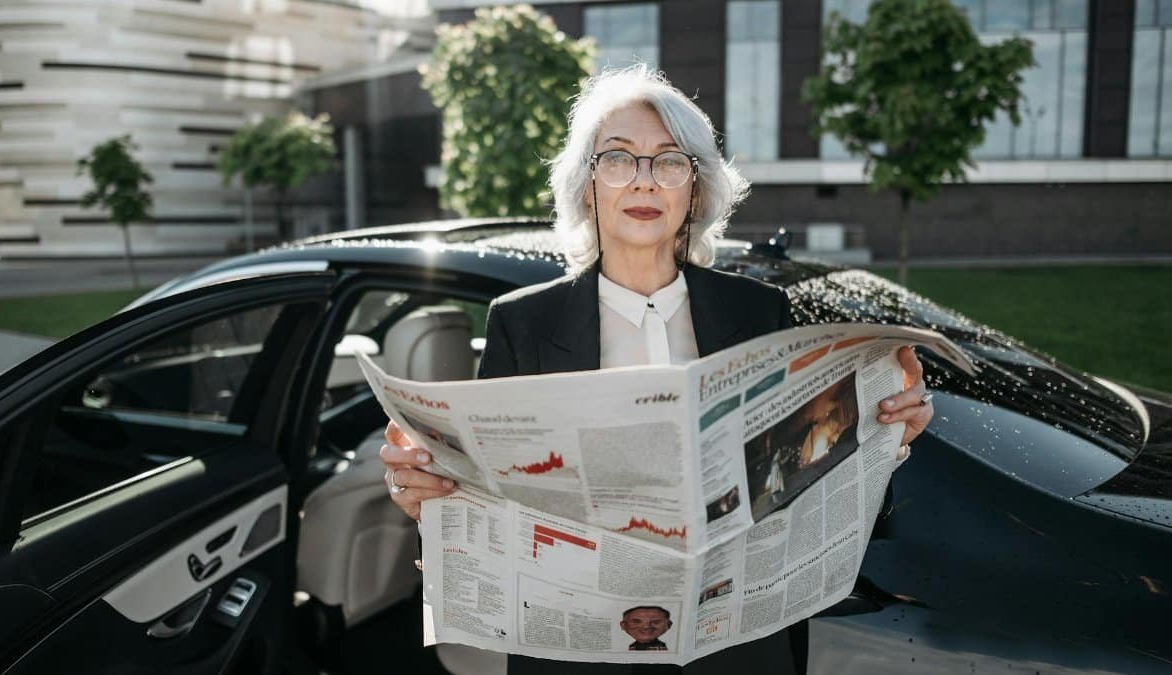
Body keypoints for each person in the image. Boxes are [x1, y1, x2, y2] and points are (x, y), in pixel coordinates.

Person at [381, 65, 935, 673]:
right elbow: (491, 508)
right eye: (618, 159)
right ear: (588, 185)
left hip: (736, 649)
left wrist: (888, 438)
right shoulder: (523, 324)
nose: (643, 182)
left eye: (669, 162)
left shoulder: (759, 311)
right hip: (578, 655)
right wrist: (430, 503)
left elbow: (809, 486)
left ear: (694, 191)